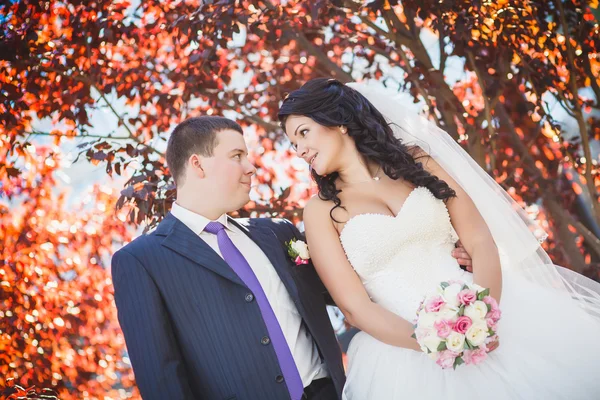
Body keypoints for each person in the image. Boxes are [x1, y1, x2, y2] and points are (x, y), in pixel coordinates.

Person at [278, 78, 600, 400]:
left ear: (339, 123)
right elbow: (354, 307)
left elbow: (478, 239)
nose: (299, 150)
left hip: (493, 309)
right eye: (293, 144)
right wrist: (441, 341)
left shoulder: (418, 162)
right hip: (407, 354)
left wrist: (484, 317)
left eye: (303, 132)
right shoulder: (320, 211)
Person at [111, 116, 348, 400]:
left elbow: (345, 289)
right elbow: (162, 380)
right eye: (237, 156)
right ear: (197, 164)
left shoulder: (276, 233)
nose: (250, 167)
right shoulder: (141, 261)